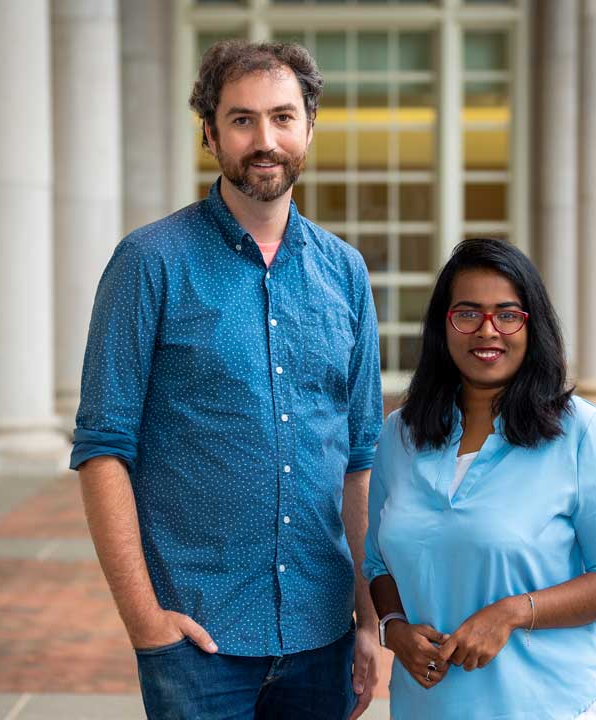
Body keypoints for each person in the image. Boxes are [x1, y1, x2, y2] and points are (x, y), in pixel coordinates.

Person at [70, 40, 383, 720]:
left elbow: (360, 461)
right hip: (196, 638)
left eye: (281, 117)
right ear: (209, 134)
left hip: (322, 632)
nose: (264, 139)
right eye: (241, 120)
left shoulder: (346, 274)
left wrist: (368, 619)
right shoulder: (148, 262)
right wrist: (145, 622)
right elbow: (102, 449)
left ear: (308, 127)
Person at [363, 238, 596, 719]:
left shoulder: (583, 433)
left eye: (508, 314)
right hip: (429, 705)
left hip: (554, 703)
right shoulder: (400, 435)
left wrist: (514, 613)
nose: (487, 330)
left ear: (531, 325)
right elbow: (377, 563)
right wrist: (393, 626)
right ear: (444, 325)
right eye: (468, 314)